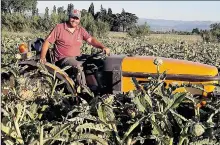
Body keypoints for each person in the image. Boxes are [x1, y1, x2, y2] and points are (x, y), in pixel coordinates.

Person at [40, 9, 110, 91]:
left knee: (94, 61)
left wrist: (102, 47)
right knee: (77, 66)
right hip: (63, 59)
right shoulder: (59, 28)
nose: (74, 20)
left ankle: (97, 87)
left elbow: (90, 40)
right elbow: (47, 42)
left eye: (77, 18)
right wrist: (42, 57)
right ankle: (84, 91)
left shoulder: (80, 30)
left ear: (79, 20)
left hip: (77, 57)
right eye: (73, 17)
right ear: (69, 17)